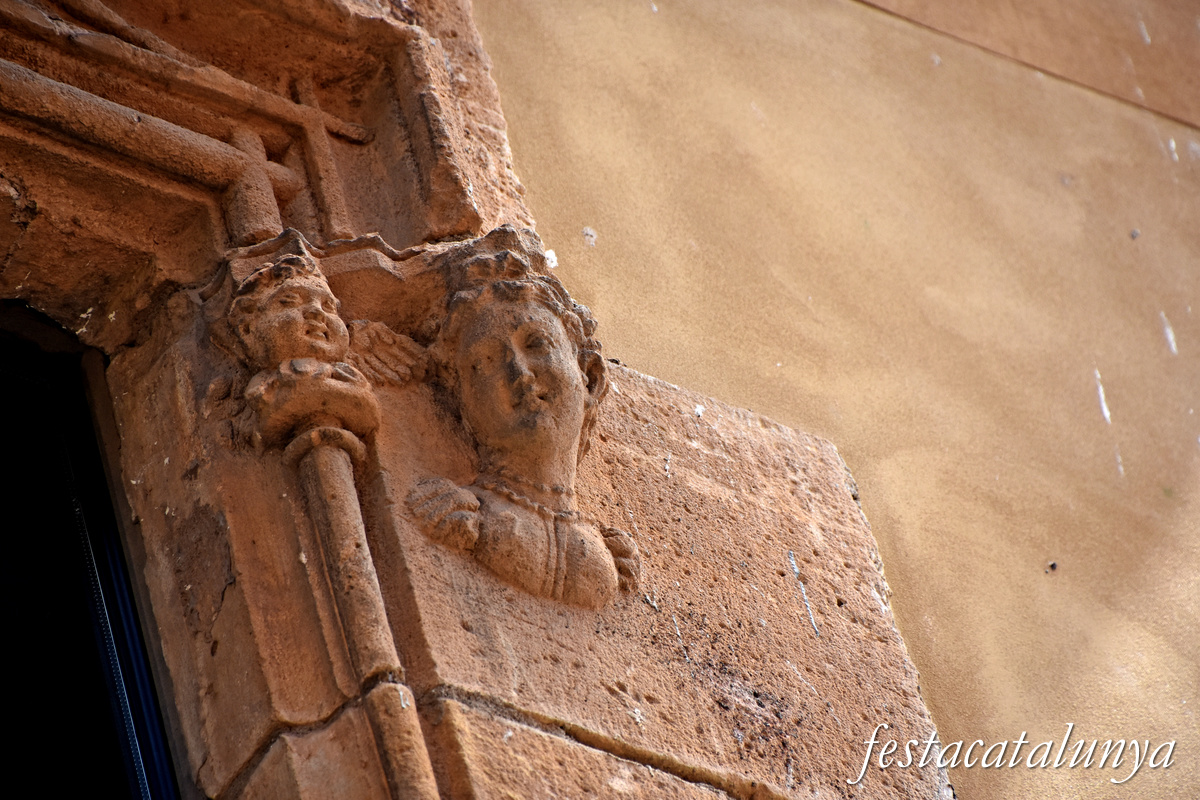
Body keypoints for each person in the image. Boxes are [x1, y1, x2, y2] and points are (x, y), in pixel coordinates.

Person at [409, 247, 639, 609]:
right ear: (460, 402)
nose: (519, 372)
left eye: (536, 344)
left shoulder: (610, 554)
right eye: (485, 362)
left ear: (590, 377)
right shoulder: (459, 514)